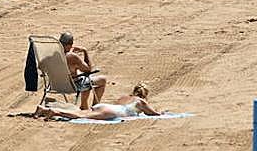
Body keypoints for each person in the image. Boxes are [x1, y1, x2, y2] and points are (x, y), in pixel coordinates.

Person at [35, 83, 163, 121]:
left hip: (105, 106)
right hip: (112, 112)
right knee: (81, 115)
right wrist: (161, 113)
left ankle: (44, 109)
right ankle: (56, 112)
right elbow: (153, 114)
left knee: (81, 112)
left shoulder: (124, 97)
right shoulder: (141, 102)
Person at [59, 32, 107, 110]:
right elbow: (88, 69)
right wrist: (85, 51)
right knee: (102, 79)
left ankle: (84, 105)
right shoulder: (71, 56)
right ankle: (95, 107)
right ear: (70, 45)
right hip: (72, 86)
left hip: (56, 85)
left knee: (84, 78)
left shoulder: (53, 55)